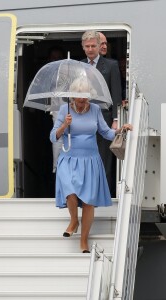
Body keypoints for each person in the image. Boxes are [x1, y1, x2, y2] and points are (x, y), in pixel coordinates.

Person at [49, 77, 132, 252]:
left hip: (90, 160)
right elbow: (53, 136)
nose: (82, 102)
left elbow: (105, 132)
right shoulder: (65, 110)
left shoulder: (94, 109)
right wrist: (65, 125)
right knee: (69, 191)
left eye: (85, 98)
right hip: (69, 158)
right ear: (72, 96)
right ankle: (73, 221)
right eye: (79, 98)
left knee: (87, 201)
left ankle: (84, 241)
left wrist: (120, 130)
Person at [81, 30, 122, 197]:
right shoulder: (79, 65)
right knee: (85, 158)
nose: (90, 49)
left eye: (93, 46)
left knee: (104, 159)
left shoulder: (111, 65)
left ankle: (103, 195)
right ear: (83, 47)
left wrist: (116, 118)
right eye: (87, 46)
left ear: (100, 46)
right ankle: (87, 195)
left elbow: (116, 94)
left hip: (104, 118)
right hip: (83, 119)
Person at [47, 46, 65, 173]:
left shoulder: (69, 80)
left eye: (59, 59)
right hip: (49, 117)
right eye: (54, 58)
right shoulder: (45, 77)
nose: (56, 61)